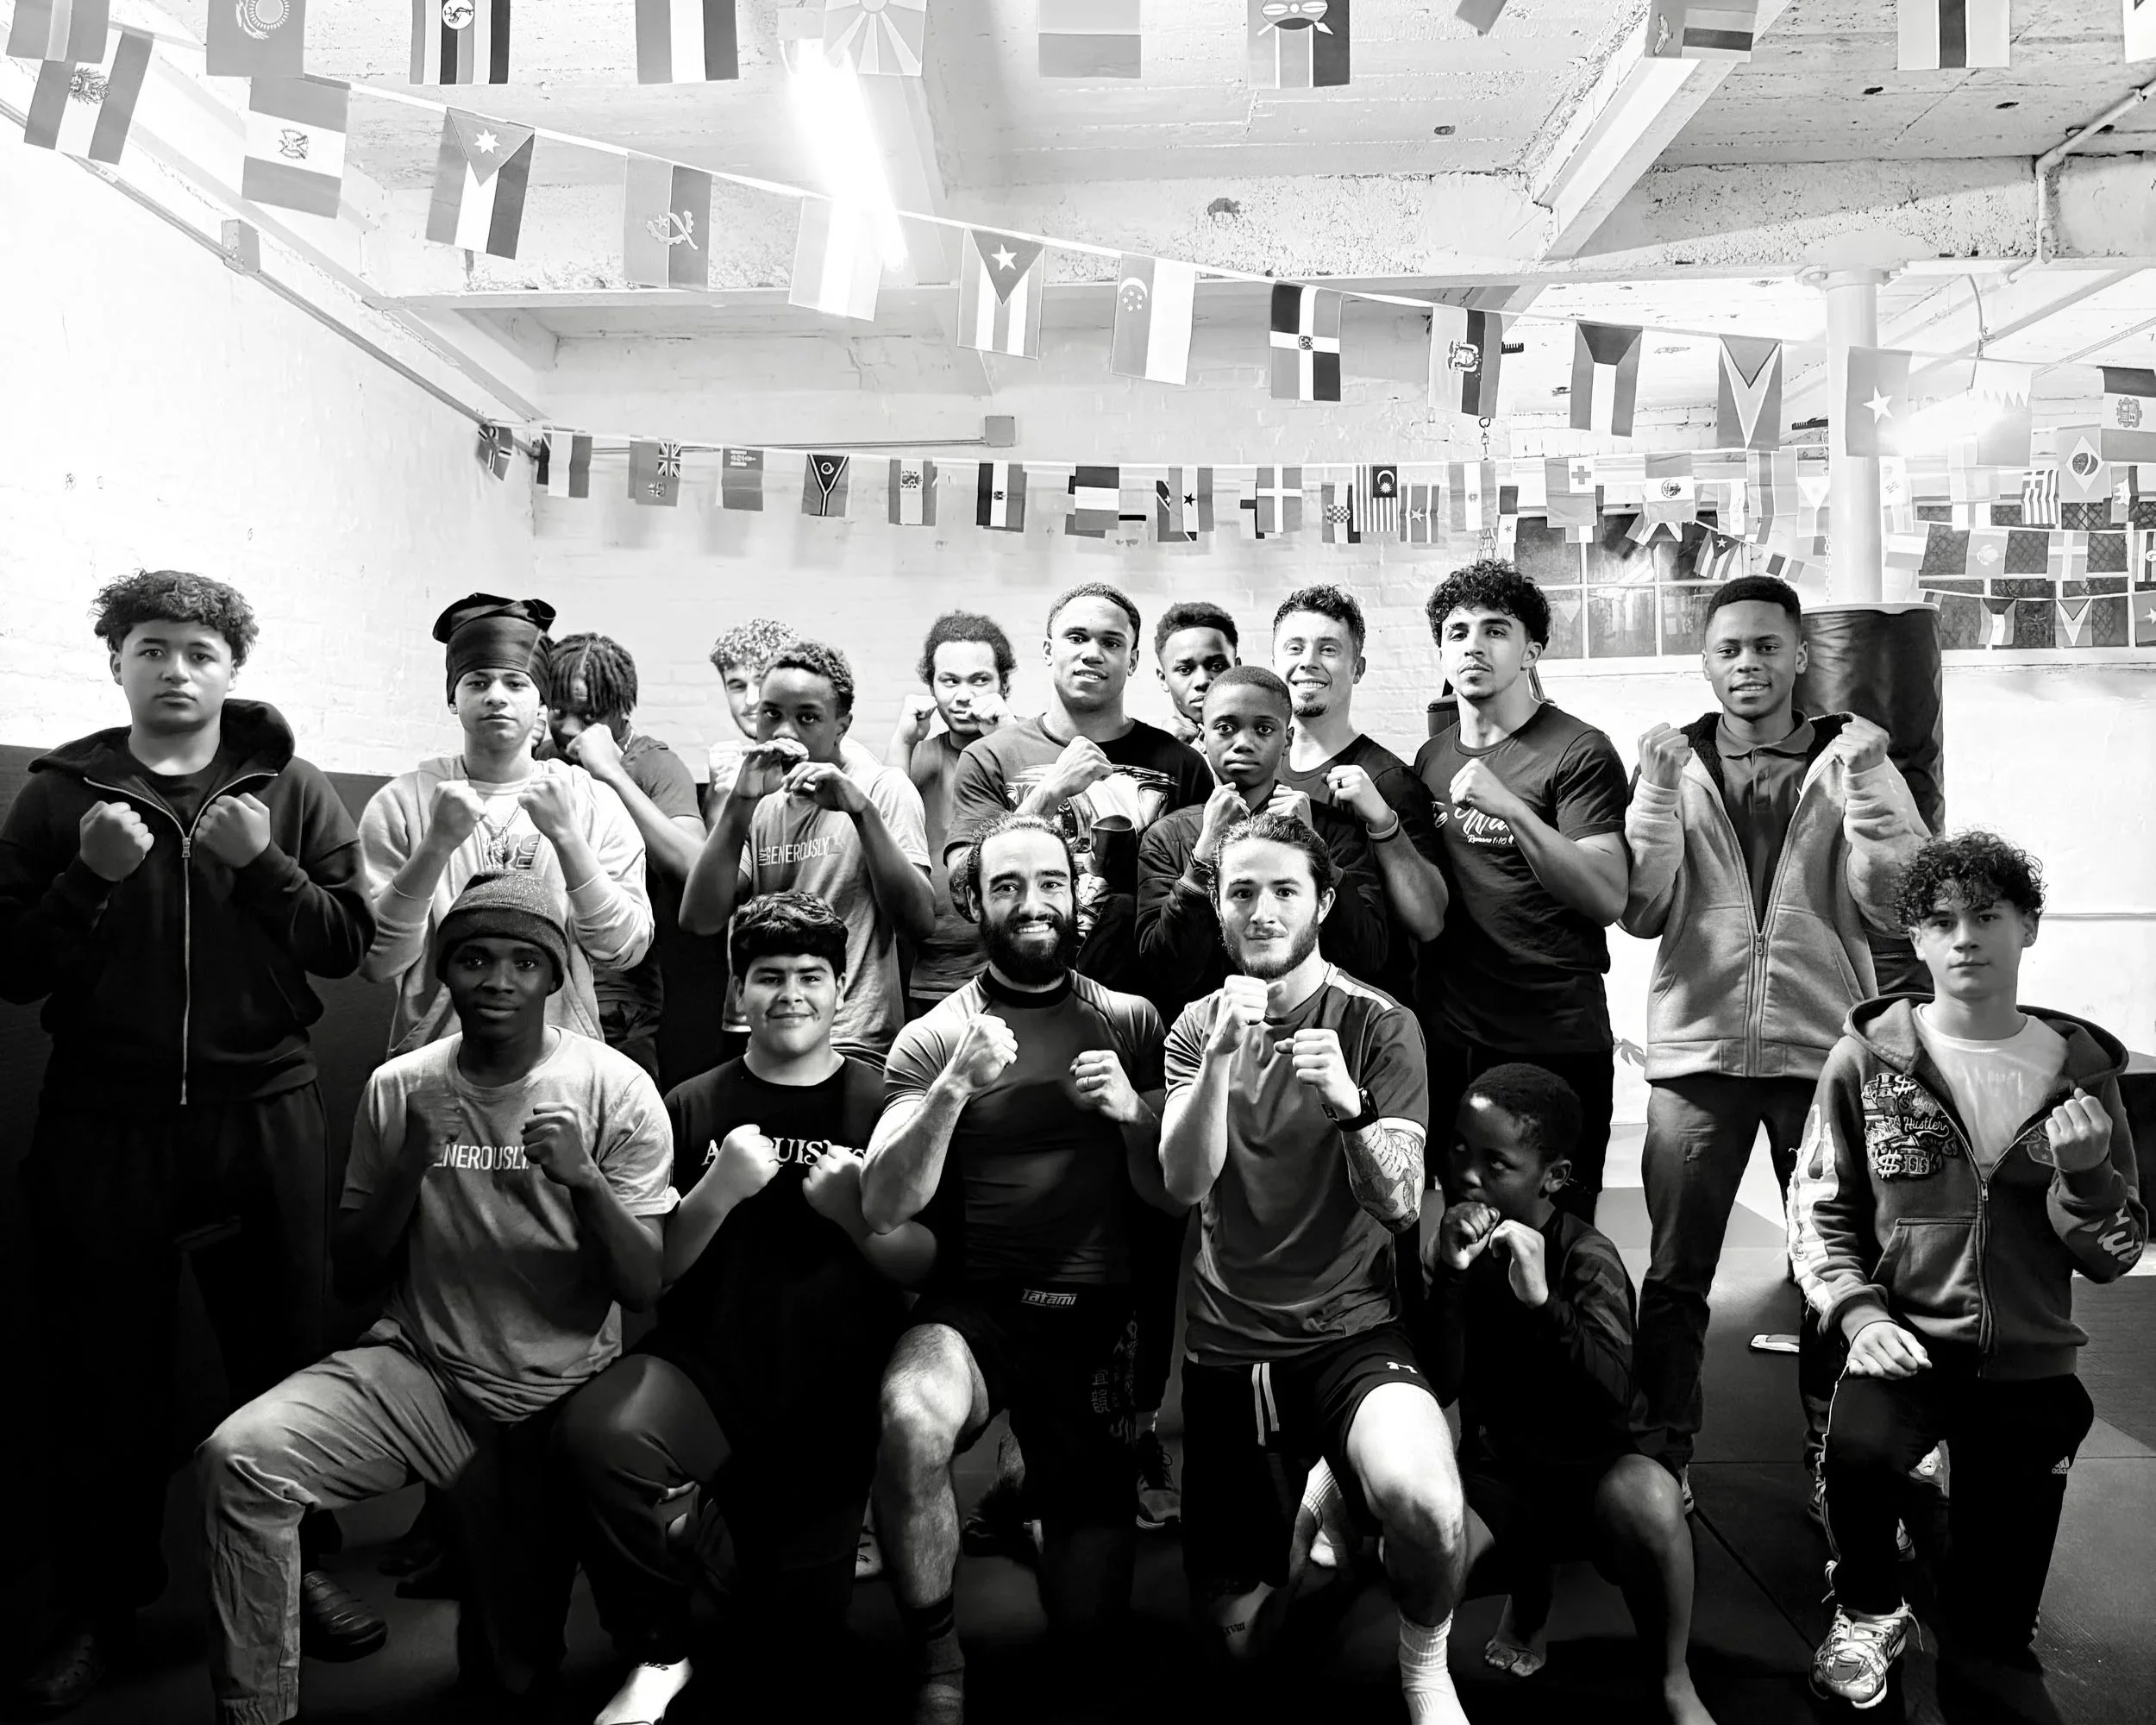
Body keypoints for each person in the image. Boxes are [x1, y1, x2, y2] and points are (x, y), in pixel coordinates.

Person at [0, 570, 380, 1716]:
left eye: (199, 652)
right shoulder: (59, 795)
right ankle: (99, 1607)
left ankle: (302, 1571)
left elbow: (344, 943)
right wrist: (86, 878)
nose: (176, 669)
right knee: (101, 1370)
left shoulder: (294, 786)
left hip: (262, 1105)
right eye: (152, 648)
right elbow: (13, 968)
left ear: (233, 669)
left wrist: (260, 861)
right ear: (117, 662)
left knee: (285, 1352)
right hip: (104, 1116)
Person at [197, 872, 676, 1725]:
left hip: (552, 1395)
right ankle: (256, 1709)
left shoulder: (615, 1087)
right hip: (422, 1371)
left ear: (555, 975)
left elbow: (643, 1283)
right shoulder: (399, 1087)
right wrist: (410, 1161)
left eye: (524, 961)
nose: (497, 979)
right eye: (475, 957)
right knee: (241, 1455)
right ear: (446, 973)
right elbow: (352, 1267)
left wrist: (586, 1181)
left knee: (509, 1677)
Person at [556, 892, 937, 1725]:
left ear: (842, 989)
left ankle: (714, 1538)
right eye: (769, 977)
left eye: (812, 976)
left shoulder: (884, 1106)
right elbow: (654, 1275)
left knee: (790, 1647)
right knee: (600, 1435)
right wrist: (717, 1191)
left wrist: (855, 1214)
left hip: (831, 1392)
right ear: (739, 995)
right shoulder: (689, 1103)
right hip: (707, 1373)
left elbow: (925, 1264)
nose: (791, 994)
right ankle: (659, 1646)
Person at [1789, 831, 2144, 1710]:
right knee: (1859, 1449)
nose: (1964, 938)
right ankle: (1870, 1607)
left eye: (1986, 916)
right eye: (1941, 920)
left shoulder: (2083, 1074)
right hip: (1905, 1342)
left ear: (2027, 926)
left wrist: (2089, 1174)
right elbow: (1817, 1209)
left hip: (2028, 1363)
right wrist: (1859, 1313)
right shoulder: (1866, 1059)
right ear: (1914, 938)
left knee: (1992, 1635)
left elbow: (2114, 1255)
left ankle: (1951, 1561)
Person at [1621, 574, 1928, 1510]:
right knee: (1675, 1271)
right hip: (1696, 1052)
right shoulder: (1673, 758)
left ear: (1800, 654)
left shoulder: (1852, 757)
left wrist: (1874, 782)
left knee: (1834, 1267)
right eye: (1728, 648)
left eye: (1765, 645)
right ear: (1706, 661)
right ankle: (1661, 1450)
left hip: (1819, 1050)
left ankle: (1833, 1451)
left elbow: (1898, 901)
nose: (1747, 663)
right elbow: (1640, 906)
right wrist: (1655, 794)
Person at [862, 813, 1174, 1725]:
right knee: (908, 1418)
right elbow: (884, 1199)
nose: (1031, 902)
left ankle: (1023, 1486)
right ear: (975, 901)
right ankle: (939, 1660)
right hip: (978, 1305)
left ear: (1078, 892)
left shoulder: (1130, 1018)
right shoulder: (934, 1033)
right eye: (1006, 885)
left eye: (1049, 881)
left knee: (1088, 1637)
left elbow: (1167, 1196)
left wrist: (1132, 1111)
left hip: (1099, 1312)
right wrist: (954, 1087)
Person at [1159, 812, 1467, 1724]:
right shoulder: (1190, 1026)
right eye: (1241, 890)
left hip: (1351, 1332)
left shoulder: (1379, 1022)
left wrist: (1347, 1104)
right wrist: (1216, 1058)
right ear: (1218, 905)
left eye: (1284, 888)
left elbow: (1402, 1200)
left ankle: (1422, 1660)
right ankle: (1318, 1501)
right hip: (1230, 1346)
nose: (1261, 908)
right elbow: (1183, 1180)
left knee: (1426, 1502)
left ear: (1322, 902)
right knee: (1240, 1647)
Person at [1416, 1063, 1714, 1725]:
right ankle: (1528, 1597)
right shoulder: (1456, 1242)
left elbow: (1611, 1398)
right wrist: (1453, 1281)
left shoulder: (1587, 1254)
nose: (1466, 1174)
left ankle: (1673, 1675)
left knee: (1651, 1500)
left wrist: (1543, 1301)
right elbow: (1442, 1383)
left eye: (1497, 1163)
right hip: (1502, 1473)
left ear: (1551, 1175)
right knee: (1418, 1552)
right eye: (1459, 1148)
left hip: (1593, 1474)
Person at [1413, 561, 1631, 1223]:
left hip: (1556, 1032)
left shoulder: (1579, 751)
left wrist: (1511, 808)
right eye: (1457, 633)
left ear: (1531, 649)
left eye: (1495, 630)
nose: (1473, 646)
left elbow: (1606, 896)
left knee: (1561, 1232)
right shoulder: (1432, 758)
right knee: (1466, 1224)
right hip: (1458, 1036)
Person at [357, 594, 654, 1055]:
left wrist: (568, 838)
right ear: (452, 698)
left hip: (562, 1064)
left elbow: (624, 947)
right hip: (435, 1061)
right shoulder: (404, 803)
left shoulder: (588, 800)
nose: (496, 695)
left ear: (541, 700)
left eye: (515, 683)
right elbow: (377, 960)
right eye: (477, 682)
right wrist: (435, 846)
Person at [946, 582, 1212, 994]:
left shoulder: (1183, 766)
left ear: (1134, 659)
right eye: (1076, 637)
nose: (1092, 652)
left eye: (1111, 641)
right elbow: (965, 891)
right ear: (1049, 651)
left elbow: (1200, 904)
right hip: (1024, 999)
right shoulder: (989, 757)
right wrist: (1048, 793)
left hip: (1152, 1004)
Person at [681, 639, 932, 1063]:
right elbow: (699, 918)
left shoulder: (880, 788)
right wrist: (738, 804)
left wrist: (861, 814)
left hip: (852, 1038)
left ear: (842, 725)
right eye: (772, 714)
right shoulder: (757, 799)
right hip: (757, 1033)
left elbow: (918, 921)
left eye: (808, 718)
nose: (784, 732)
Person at [1138, 665, 1388, 1012]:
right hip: (1206, 1035)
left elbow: (1368, 956)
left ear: (1286, 740)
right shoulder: (1167, 837)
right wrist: (1202, 855)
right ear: (1202, 738)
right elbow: (1164, 972)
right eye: (1225, 728)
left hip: (1314, 1027)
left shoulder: (1331, 830)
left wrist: (1313, 850)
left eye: (1263, 729)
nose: (1243, 742)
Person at [1272, 585, 1448, 1017]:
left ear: (1358, 668)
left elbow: (1429, 921)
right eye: (1295, 647)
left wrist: (1382, 824)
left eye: (1328, 649)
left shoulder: (1388, 780)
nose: (1308, 661)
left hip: (1367, 1022)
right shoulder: (1262, 771)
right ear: (1276, 662)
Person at [543, 631, 707, 1081]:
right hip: (540, 987)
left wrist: (610, 773)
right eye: (561, 711)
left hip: (618, 998)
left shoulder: (653, 764)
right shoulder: (541, 758)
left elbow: (695, 867)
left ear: (623, 707)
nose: (572, 729)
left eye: (591, 715)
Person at [885, 611, 1018, 1018]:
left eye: (979, 680)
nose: (964, 695)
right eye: (949, 681)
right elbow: (880, 833)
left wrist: (1008, 738)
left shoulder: (1027, 740)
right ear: (931, 687)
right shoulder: (915, 756)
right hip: (932, 973)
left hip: (1016, 964)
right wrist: (902, 740)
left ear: (1004, 685)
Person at [705, 618, 881, 824]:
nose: (751, 699)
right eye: (737, 686)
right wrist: (720, 795)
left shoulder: (850, 762)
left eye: (761, 682)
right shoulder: (749, 764)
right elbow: (720, 852)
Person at [1153, 600, 1240, 745]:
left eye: (1217, 666)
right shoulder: (1146, 750)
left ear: (1237, 669)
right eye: (1185, 670)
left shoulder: (1274, 743)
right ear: (1163, 679)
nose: (1202, 681)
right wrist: (1162, 750)